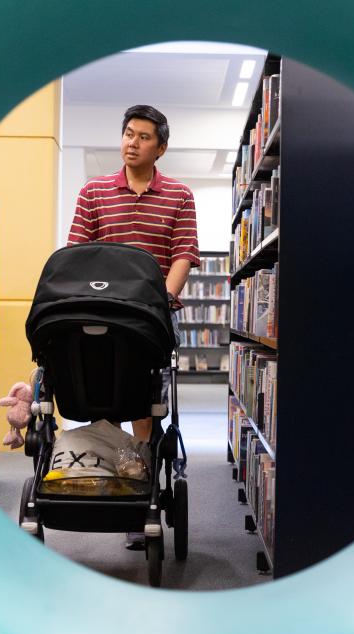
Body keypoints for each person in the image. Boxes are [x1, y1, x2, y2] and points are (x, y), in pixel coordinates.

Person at [67, 104, 200, 441]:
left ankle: (143, 472)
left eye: (143, 137)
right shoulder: (93, 192)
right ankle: (111, 466)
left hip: (154, 313)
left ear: (161, 149)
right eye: (128, 134)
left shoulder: (179, 195)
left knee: (145, 399)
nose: (132, 143)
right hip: (104, 308)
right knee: (104, 394)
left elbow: (183, 253)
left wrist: (162, 300)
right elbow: (76, 254)